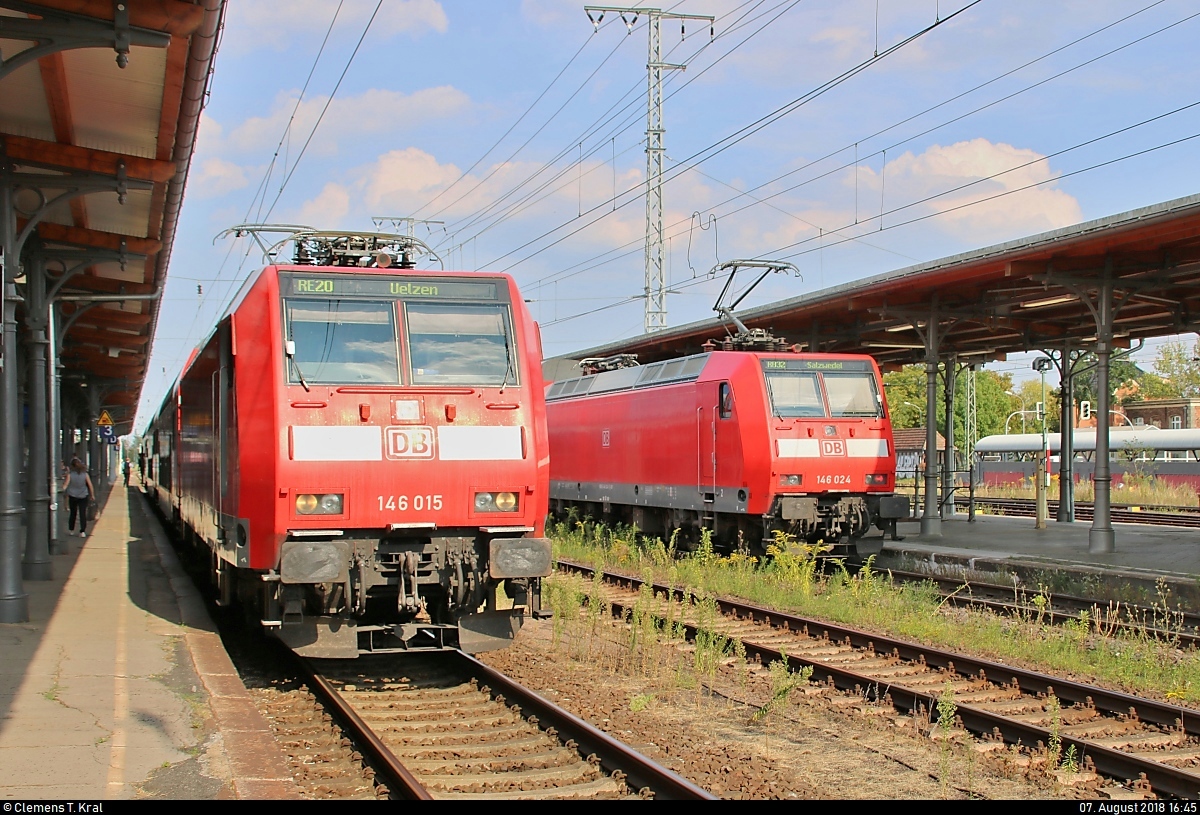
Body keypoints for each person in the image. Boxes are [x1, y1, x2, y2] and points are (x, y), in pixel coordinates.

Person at [63, 458, 95, 537]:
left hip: (72, 496)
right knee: (82, 513)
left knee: (73, 513)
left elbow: (65, 485)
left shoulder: (70, 475)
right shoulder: (85, 474)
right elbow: (90, 485)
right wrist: (92, 495)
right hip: (83, 495)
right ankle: (82, 531)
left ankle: (71, 529)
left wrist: (60, 491)